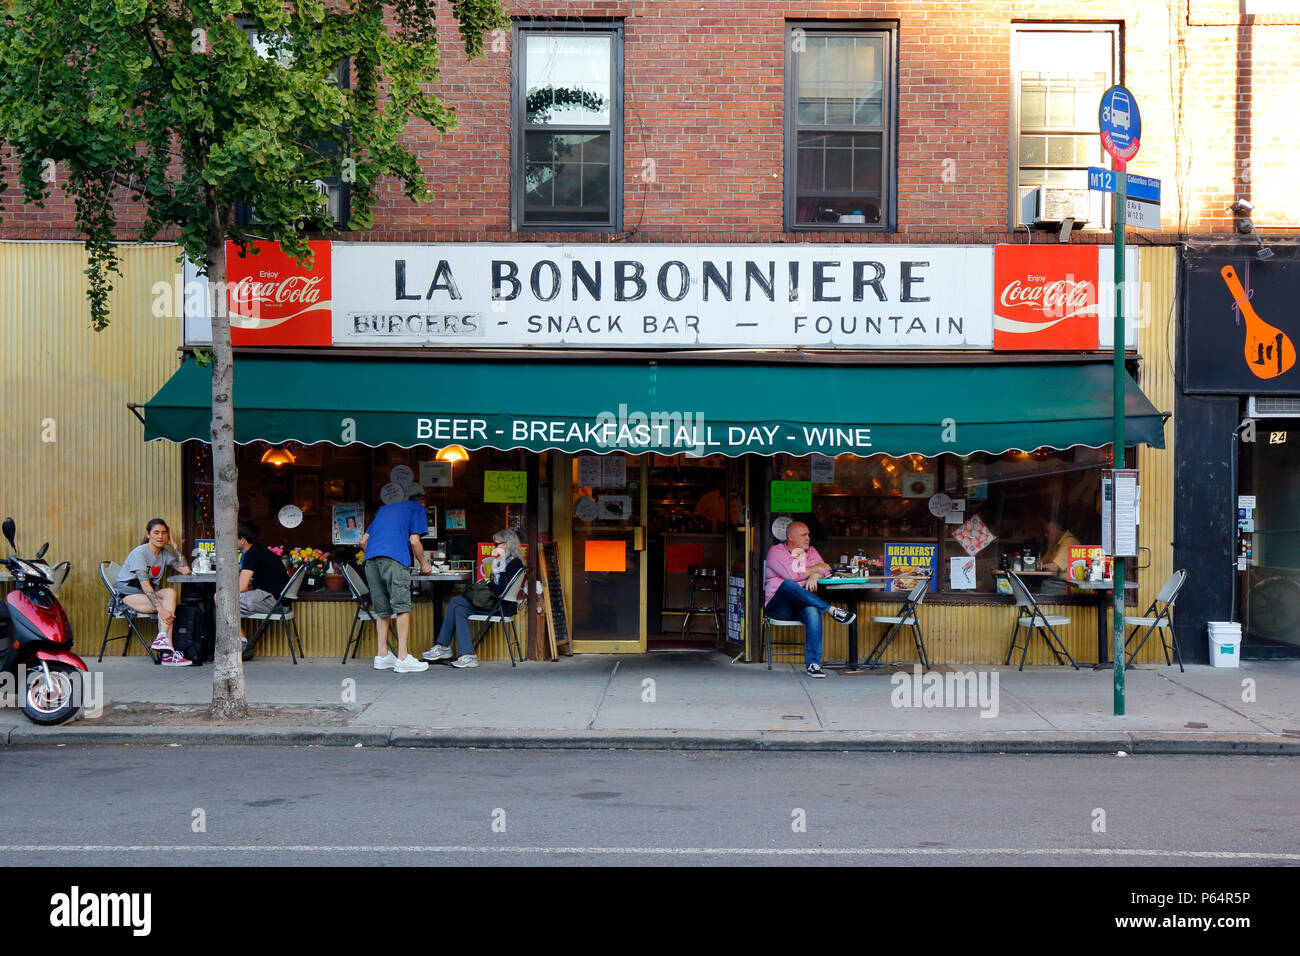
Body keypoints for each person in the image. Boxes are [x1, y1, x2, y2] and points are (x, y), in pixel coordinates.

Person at [763, 521, 855, 678]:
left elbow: (827, 569)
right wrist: (815, 568)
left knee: (812, 610)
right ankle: (831, 610)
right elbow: (792, 575)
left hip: (802, 605)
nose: (808, 538)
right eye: (804, 535)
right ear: (791, 537)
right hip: (778, 607)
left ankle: (813, 664)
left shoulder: (811, 552)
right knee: (789, 584)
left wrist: (815, 574)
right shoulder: (776, 552)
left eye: (808, 535)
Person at [423, 529, 526, 668]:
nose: (494, 547)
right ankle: (466, 654)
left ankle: (444, 646)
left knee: (455, 602)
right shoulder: (510, 562)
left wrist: (488, 582)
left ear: (507, 544)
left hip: (501, 606)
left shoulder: (513, 564)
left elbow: (500, 590)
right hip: (499, 603)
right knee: (459, 609)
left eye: (496, 544)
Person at [361, 489, 432, 673]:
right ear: (423, 504)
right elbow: (414, 541)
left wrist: (377, 555)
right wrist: (424, 564)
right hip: (395, 559)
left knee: (382, 610)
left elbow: (363, 541)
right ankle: (402, 657)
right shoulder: (417, 508)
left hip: (370, 560)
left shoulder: (384, 510)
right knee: (402, 606)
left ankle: (382, 655)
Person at [116, 518, 191, 666]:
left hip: (146, 595)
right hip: (128, 595)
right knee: (167, 608)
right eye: (156, 532)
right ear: (148, 534)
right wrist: (161, 609)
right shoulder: (140, 553)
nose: (160, 536)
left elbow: (185, 570)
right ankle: (167, 654)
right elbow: (145, 585)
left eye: (164, 533)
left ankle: (162, 637)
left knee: (170, 593)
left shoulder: (164, 553)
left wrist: (174, 545)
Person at [236, 522, 290, 653]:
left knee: (223, 601)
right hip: (279, 601)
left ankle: (242, 644)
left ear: (242, 541)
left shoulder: (252, 554)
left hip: (274, 602)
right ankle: (242, 642)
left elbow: (241, 587)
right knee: (225, 602)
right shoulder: (259, 551)